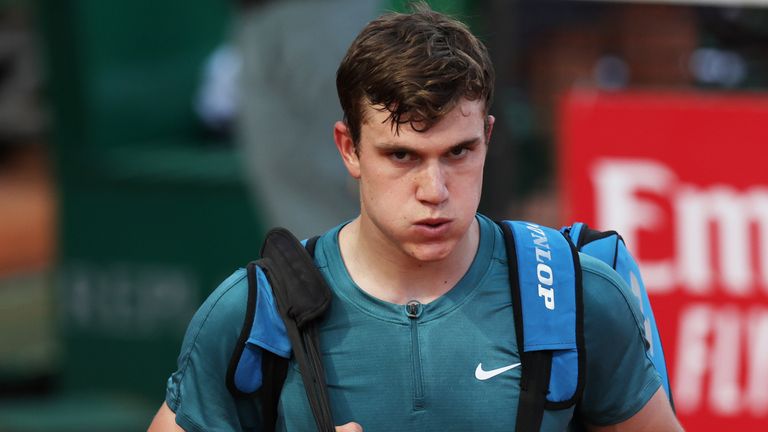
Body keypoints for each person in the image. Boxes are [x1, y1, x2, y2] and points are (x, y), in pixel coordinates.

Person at [149, 3, 682, 431]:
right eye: (402, 156)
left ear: (488, 138)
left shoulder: (577, 297)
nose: (435, 191)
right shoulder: (251, 316)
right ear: (350, 148)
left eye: (458, 152)